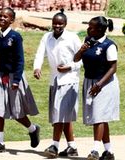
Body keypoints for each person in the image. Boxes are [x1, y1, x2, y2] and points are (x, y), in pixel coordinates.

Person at [0, 7, 40, 153]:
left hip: (15, 77)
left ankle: (33, 129)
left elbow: (20, 60)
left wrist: (16, 80)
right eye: (1, 16)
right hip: (2, 76)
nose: (2, 19)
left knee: (17, 112)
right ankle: (0, 142)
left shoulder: (15, 37)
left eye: (6, 17)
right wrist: (0, 74)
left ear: (11, 20)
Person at [33, 10, 81, 158]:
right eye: (55, 23)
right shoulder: (47, 37)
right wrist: (37, 67)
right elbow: (40, 53)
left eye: (60, 23)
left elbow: (82, 59)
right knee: (62, 115)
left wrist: (69, 67)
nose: (57, 26)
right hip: (55, 80)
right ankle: (72, 147)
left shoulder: (72, 37)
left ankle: (54, 146)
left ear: (65, 24)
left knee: (59, 115)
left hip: (69, 80)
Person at [74, 16, 120, 160]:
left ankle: (95, 150)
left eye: (91, 27)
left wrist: (99, 84)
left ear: (100, 29)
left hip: (105, 84)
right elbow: (75, 59)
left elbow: (113, 68)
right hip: (90, 81)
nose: (88, 29)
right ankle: (109, 152)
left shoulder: (109, 45)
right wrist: (81, 50)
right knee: (100, 117)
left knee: (98, 116)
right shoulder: (88, 41)